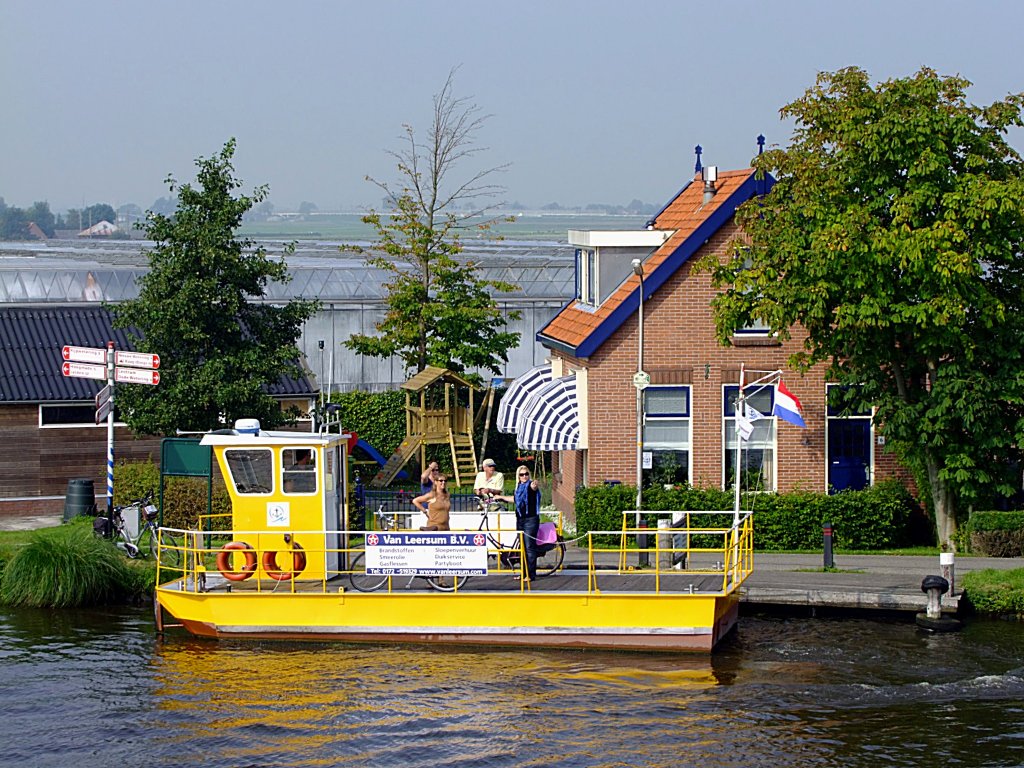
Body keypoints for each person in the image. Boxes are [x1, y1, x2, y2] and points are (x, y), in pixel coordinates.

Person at [499, 465, 541, 582]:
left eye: (526, 474)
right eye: (522, 474)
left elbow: (534, 488)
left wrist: (535, 485)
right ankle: (523, 573)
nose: (524, 476)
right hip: (520, 520)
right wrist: (500, 497)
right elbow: (515, 499)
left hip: (531, 520)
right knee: (522, 547)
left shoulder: (530, 485)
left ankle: (530, 575)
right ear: (518, 476)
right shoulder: (519, 488)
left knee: (529, 547)